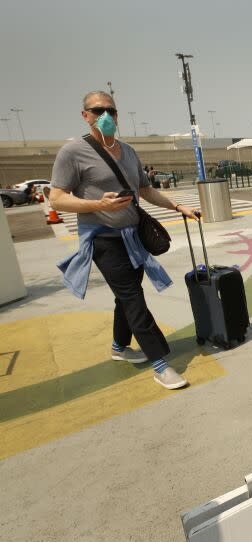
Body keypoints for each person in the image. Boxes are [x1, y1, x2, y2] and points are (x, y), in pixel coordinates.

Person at [49, 91, 200, 390]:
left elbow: (145, 190)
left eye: (111, 110)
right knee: (132, 297)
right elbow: (57, 199)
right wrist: (97, 205)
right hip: (103, 239)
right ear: (85, 115)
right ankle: (160, 363)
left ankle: (119, 346)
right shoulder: (73, 152)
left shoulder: (129, 152)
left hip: (133, 237)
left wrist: (177, 206)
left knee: (126, 296)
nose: (105, 116)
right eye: (97, 110)